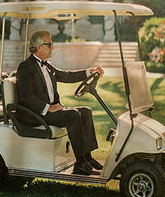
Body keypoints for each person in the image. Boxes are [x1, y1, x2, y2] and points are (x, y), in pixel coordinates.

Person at [16, 30, 105, 175]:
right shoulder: (26, 67)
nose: (52, 47)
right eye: (49, 44)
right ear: (38, 47)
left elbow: (66, 75)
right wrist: (48, 108)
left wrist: (90, 71)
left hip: (49, 111)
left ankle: (87, 158)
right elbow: (26, 97)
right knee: (73, 115)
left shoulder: (48, 66)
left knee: (86, 112)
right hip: (35, 114)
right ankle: (80, 163)